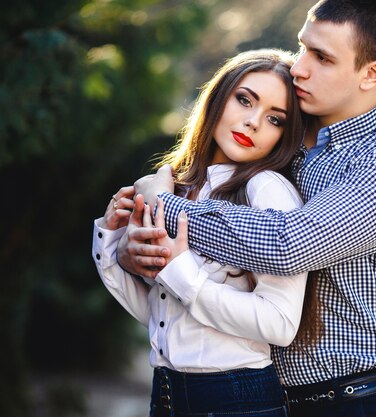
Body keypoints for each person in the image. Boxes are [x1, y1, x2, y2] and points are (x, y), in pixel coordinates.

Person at [120, 1, 376, 416]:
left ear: (371, 74)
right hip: (258, 394)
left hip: (355, 398)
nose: (300, 67)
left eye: (322, 58)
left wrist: (163, 209)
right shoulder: (282, 127)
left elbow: (286, 243)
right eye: (303, 47)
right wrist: (136, 245)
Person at [92, 49, 318, 417]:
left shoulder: (267, 190)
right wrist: (112, 242)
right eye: (244, 100)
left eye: (275, 119)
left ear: (285, 135)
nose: (253, 122)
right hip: (166, 391)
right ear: (217, 95)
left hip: (236, 396)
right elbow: (160, 317)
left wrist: (182, 273)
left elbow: (280, 324)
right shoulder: (175, 187)